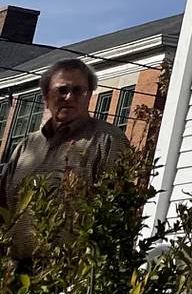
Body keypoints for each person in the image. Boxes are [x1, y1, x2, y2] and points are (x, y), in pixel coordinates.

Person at [1, 56, 135, 270]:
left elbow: (119, 211)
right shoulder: (26, 147)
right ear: (46, 96)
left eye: (78, 91)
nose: (69, 97)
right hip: (15, 272)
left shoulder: (108, 140)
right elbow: (4, 207)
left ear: (89, 96)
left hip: (70, 273)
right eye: (61, 90)